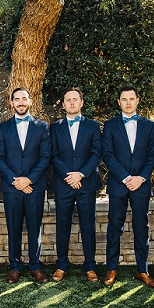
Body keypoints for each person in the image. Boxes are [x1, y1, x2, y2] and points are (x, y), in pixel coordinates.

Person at [102, 86, 154, 287]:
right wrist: (126, 177)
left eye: (131, 99)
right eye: (124, 99)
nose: (128, 102)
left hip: (141, 185)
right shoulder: (110, 125)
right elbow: (107, 155)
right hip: (119, 184)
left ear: (137, 100)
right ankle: (111, 269)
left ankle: (142, 270)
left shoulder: (149, 125)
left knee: (141, 228)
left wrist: (141, 177)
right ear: (118, 102)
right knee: (114, 227)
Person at [0, 88, 51, 283]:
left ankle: (35, 266)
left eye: (24, 99)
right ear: (11, 103)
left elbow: (45, 157)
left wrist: (29, 179)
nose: (20, 102)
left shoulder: (42, 127)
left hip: (34, 187)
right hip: (12, 188)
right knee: (14, 227)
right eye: (16, 99)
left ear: (30, 101)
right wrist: (15, 180)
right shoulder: (3, 128)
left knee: (35, 228)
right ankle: (15, 266)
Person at [49, 88, 103, 282]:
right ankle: (61, 265)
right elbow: (52, 154)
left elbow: (97, 153)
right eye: (68, 100)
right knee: (62, 225)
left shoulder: (93, 126)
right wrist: (68, 175)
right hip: (63, 184)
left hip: (86, 184)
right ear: (63, 105)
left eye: (75, 100)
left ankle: (90, 266)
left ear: (81, 103)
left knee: (88, 225)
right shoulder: (55, 127)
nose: (71, 103)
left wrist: (80, 174)